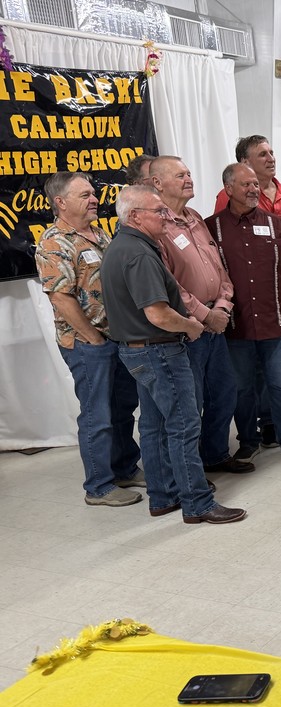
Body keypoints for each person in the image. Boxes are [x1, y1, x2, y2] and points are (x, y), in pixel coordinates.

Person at [101, 186, 246, 524]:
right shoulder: (139, 253)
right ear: (135, 216)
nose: (165, 217)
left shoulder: (125, 245)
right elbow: (158, 314)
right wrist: (192, 326)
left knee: (155, 424)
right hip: (159, 351)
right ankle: (198, 503)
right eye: (158, 211)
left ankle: (164, 495)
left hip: (140, 351)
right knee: (183, 425)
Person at [35, 172, 143, 507]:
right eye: (84, 195)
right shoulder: (54, 242)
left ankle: (124, 468)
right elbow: (60, 297)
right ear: (61, 202)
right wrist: (93, 338)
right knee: (98, 414)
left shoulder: (99, 234)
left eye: (93, 193)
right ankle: (98, 486)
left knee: (122, 408)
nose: (94, 199)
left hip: (116, 336)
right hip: (86, 344)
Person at [148, 156, 251, 475]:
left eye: (189, 173)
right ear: (157, 183)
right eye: (180, 175)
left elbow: (220, 269)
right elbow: (169, 284)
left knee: (225, 393)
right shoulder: (156, 225)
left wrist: (222, 307)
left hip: (215, 325)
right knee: (189, 406)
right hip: (187, 330)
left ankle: (215, 455)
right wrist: (206, 314)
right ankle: (189, 472)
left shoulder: (194, 217)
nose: (188, 179)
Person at [207, 164, 281, 461]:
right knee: (242, 388)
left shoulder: (277, 225)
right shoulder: (210, 228)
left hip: (276, 322)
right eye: (246, 185)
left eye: (255, 184)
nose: (254, 189)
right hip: (235, 327)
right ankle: (248, 440)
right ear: (228, 189)